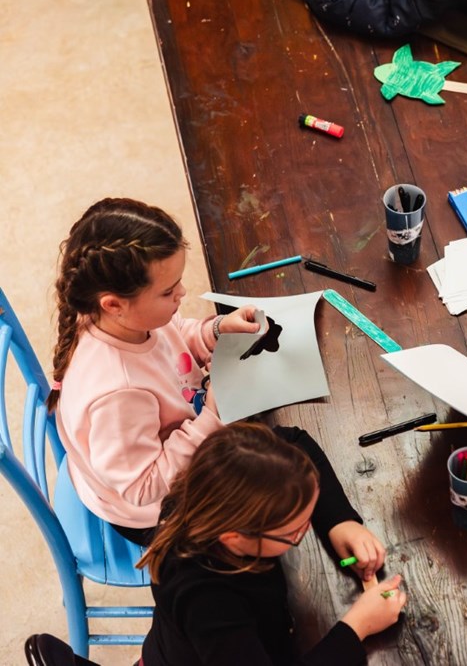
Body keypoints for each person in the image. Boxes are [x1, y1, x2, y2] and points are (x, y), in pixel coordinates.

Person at [48, 198, 259, 545]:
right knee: (274, 504)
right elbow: (142, 487)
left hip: (172, 443)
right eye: (168, 291)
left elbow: (172, 334)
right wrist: (212, 417)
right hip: (154, 512)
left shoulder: (118, 318)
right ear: (114, 304)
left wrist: (216, 330)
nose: (183, 292)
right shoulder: (117, 394)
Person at [138, 422, 402, 665]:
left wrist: (339, 521)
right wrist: (357, 626)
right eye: (295, 532)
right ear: (234, 537)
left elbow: (294, 440)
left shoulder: (214, 487)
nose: (307, 529)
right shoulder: (208, 601)